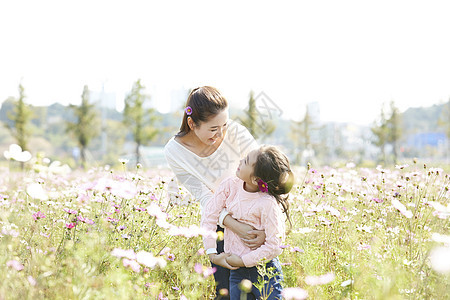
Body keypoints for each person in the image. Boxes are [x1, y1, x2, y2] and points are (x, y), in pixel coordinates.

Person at [164, 86, 266, 298]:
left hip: (256, 219)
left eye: (224, 125)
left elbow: (264, 175)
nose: (220, 134)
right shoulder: (174, 152)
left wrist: (267, 230)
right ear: (192, 123)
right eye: (213, 129)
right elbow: (205, 198)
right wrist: (235, 226)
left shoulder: (236, 133)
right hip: (220, 224)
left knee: (261, 289)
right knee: (226, 291)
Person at [201, 145, 294, 300]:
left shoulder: (267, 203)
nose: (241, 160)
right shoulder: (230, 186)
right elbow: (209, 215)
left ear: (255, 179)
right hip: (237, 273)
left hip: (266, 272)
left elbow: (274, 245)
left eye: (246, 161)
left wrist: (244, 261)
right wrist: (211, 253)